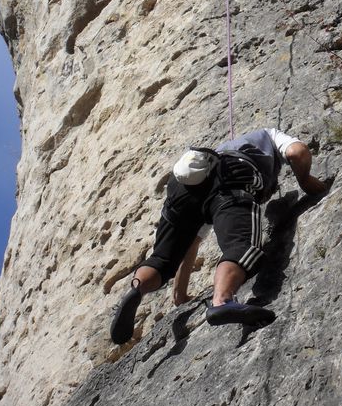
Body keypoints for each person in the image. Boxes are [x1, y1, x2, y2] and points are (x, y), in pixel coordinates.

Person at [110, 128, 329, 345]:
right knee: (242, 247)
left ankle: (137, 289)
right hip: (232, 175)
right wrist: (306, 180)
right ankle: (222, 301)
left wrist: (180, 294)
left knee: (162, 259)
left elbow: (191, 243)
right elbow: (296, 152)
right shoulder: (269, 135)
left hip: (184, 184)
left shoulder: (213, 159)